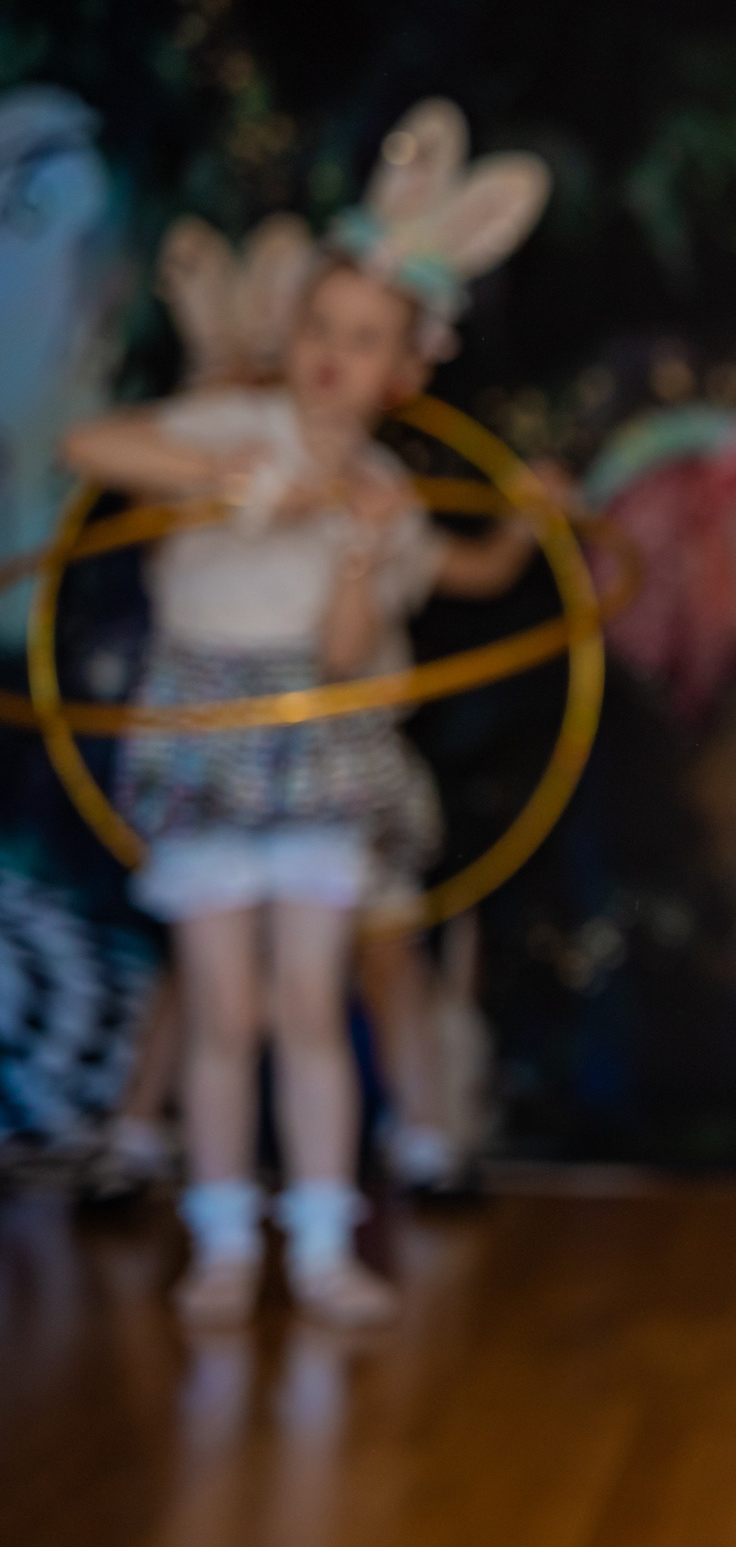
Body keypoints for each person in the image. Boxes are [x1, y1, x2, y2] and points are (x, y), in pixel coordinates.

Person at [59, 100, 547, 1329]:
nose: (334, 356)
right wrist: (229, 477)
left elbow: (343, 655)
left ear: (405, 367)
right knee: (222, 1007)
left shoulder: (383, 487)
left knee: (307, 1003)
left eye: (364, 339)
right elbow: (92, 440)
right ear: (295, 334)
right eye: (321, 329)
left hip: (319, 743)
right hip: (203, 733)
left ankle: (324, 1237)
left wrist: (347, 554)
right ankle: (222, 1236)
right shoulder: (241, 420)